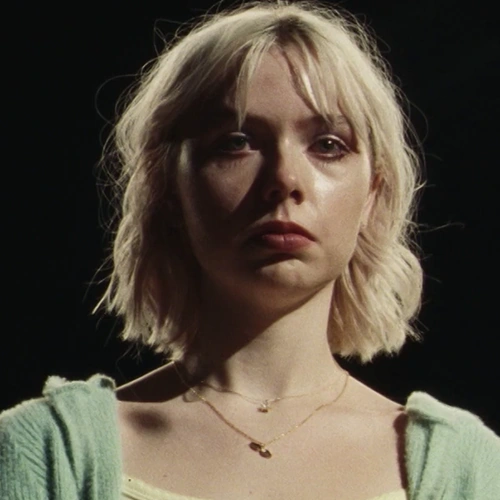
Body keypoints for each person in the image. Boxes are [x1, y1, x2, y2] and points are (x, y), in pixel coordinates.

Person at [1, 1, 499, 499]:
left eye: (328, 145)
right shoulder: (46, 451)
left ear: (372, 192)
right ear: (167, 187)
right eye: (237, 141)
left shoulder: (467, 468)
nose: (285, 179)